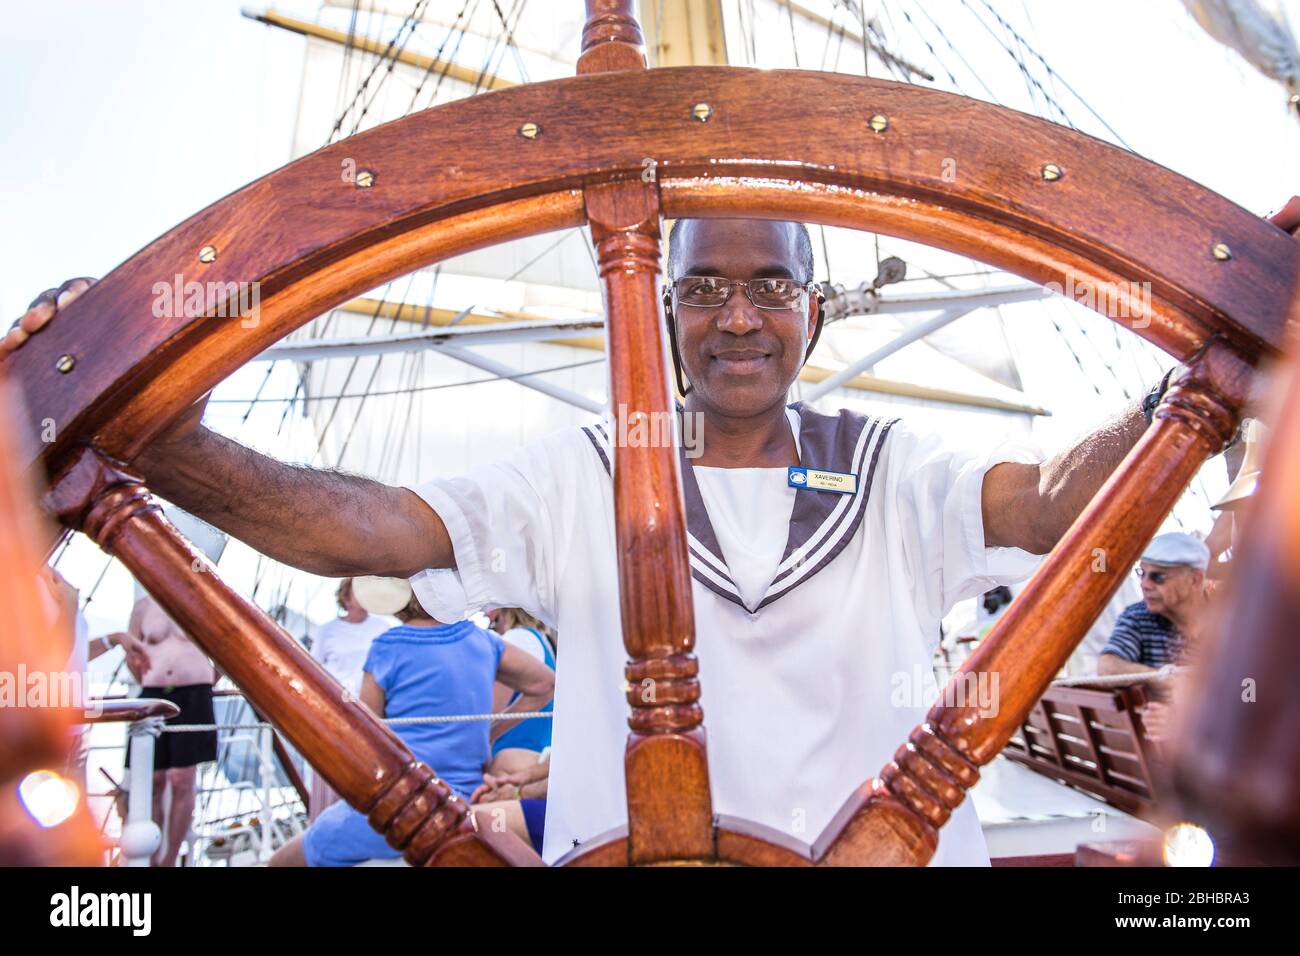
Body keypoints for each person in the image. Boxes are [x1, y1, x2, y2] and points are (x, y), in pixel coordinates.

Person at [9, 217, 1236, 865]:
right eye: (703, 288)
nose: (739, 315)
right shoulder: (576, 470)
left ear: (814, 306)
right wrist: (173, 448)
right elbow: (370, 530)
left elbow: (1043, 505)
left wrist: (1187, 392)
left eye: (770, 285)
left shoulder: (895, 466)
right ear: (661, 307)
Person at [270, 579, 554, 866]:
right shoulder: (483, 641)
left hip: (400, 809)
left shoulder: (387, 646)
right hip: (467, 799)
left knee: (281, 861)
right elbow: (545, 684)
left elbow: (367, 736)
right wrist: (489, 733)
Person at [118, 591, 218, 867]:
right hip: (153, 693)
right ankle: (149, 858)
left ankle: (170, 859)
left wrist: (207, 681)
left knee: (183, 779)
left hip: (194, 694)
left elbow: (222, 647)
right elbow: (132, 653)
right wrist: (150, 679)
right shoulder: (143, 607)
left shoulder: (203, 601)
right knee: (153, 780)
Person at [306, 578, 394, 821]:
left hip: (372, 709)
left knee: (369, 767)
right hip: (335, 709)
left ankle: (367, 820)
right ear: (345, 597)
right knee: (332, 768)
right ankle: (326, 820)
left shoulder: (382, 628)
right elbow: (314, 669)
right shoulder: (327, 631)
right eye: (358, 592)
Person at [1098, 532, 1210, 677]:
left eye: (1158, 576)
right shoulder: (1137, 616)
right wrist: (1163, 679)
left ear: (1195, 579)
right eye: (1142, 573)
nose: (1144, 585)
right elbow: (1108, 666)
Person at [484, 607, 555, 775]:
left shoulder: (517, 639)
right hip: (533, 751)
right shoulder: (540, 639)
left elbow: (490, 711)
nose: (486, 613)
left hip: (513, 758)